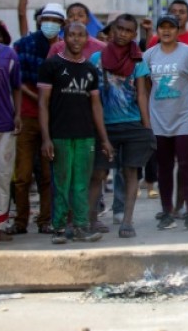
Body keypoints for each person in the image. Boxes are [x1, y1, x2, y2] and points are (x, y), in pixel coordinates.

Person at [38, 22, 114, 244]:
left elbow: (96, 105)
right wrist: (46, 138)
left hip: (85, 135)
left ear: (86, 38)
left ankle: (80, 227)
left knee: (81, 183)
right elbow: (43, 103)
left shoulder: (90, 69)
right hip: (60, 134)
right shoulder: (51, 66)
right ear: (64, 37)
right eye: (71, 35)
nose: (76, 39)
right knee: (61, 183)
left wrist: (104, 139)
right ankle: (60, 228)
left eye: (80, 35)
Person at [89, 14, 156, 238]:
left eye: (128, 30)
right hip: (104, 124)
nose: (123, 34)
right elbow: (93, 97)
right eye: (119, 29)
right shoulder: (96, 59)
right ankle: (91, 220)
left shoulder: (138, 60)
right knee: (97, 173)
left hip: (131, 123)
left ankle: (127, 220)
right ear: (112, 30)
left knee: (130, 172)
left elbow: (142, 94)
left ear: (134, 35)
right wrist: (100, 133)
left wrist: (147, 127)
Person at [144, 15, 188, 230]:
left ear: (178, 30)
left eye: (171, 27)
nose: (167, 31)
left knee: (187, 165)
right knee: (164, 167)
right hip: (159, 119)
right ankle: (167, 211)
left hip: (185, 118)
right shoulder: (149, 55)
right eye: (162, 27)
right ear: (157, 31)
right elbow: (145, 85)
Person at [11, 2, 66, 235]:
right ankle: (20, 221)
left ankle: (45, 220)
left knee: (47, 174)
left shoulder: (66, 48)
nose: (50, 25)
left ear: (61, 24)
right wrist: (42, 98)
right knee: (22, 175)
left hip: (54, 120)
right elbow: (18, 82)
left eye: (55, 21)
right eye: (46, 20)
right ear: (39, 21)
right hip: (27, 117)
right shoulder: (24, 45)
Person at [0, 13, 21, 242]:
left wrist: (18, 114)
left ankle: (1, 225)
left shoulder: (8, 55)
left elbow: (17, 88)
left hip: (5, 124)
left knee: (3, 176)